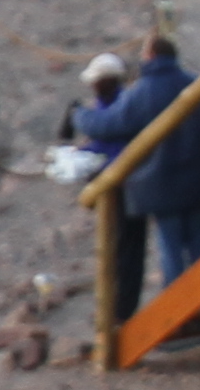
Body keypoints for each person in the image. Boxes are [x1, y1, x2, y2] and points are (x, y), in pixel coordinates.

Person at [80, 29, 200, 335]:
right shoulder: (195, 84)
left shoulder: (143, 92)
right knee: (198, 251)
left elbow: (107, 125)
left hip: (160, 189)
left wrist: (78, 116)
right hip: (199, 185)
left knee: (171, 254)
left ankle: (176, 318)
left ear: (150, 56)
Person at [58, 50, 145, 326]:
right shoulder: (109, 105)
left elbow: (110, 137)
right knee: (120, 249)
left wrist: (79, 122)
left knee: (126, 250)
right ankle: (116, 308)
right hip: (119, 187)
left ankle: (120, 312)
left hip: (127, 187)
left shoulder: (120, 107)